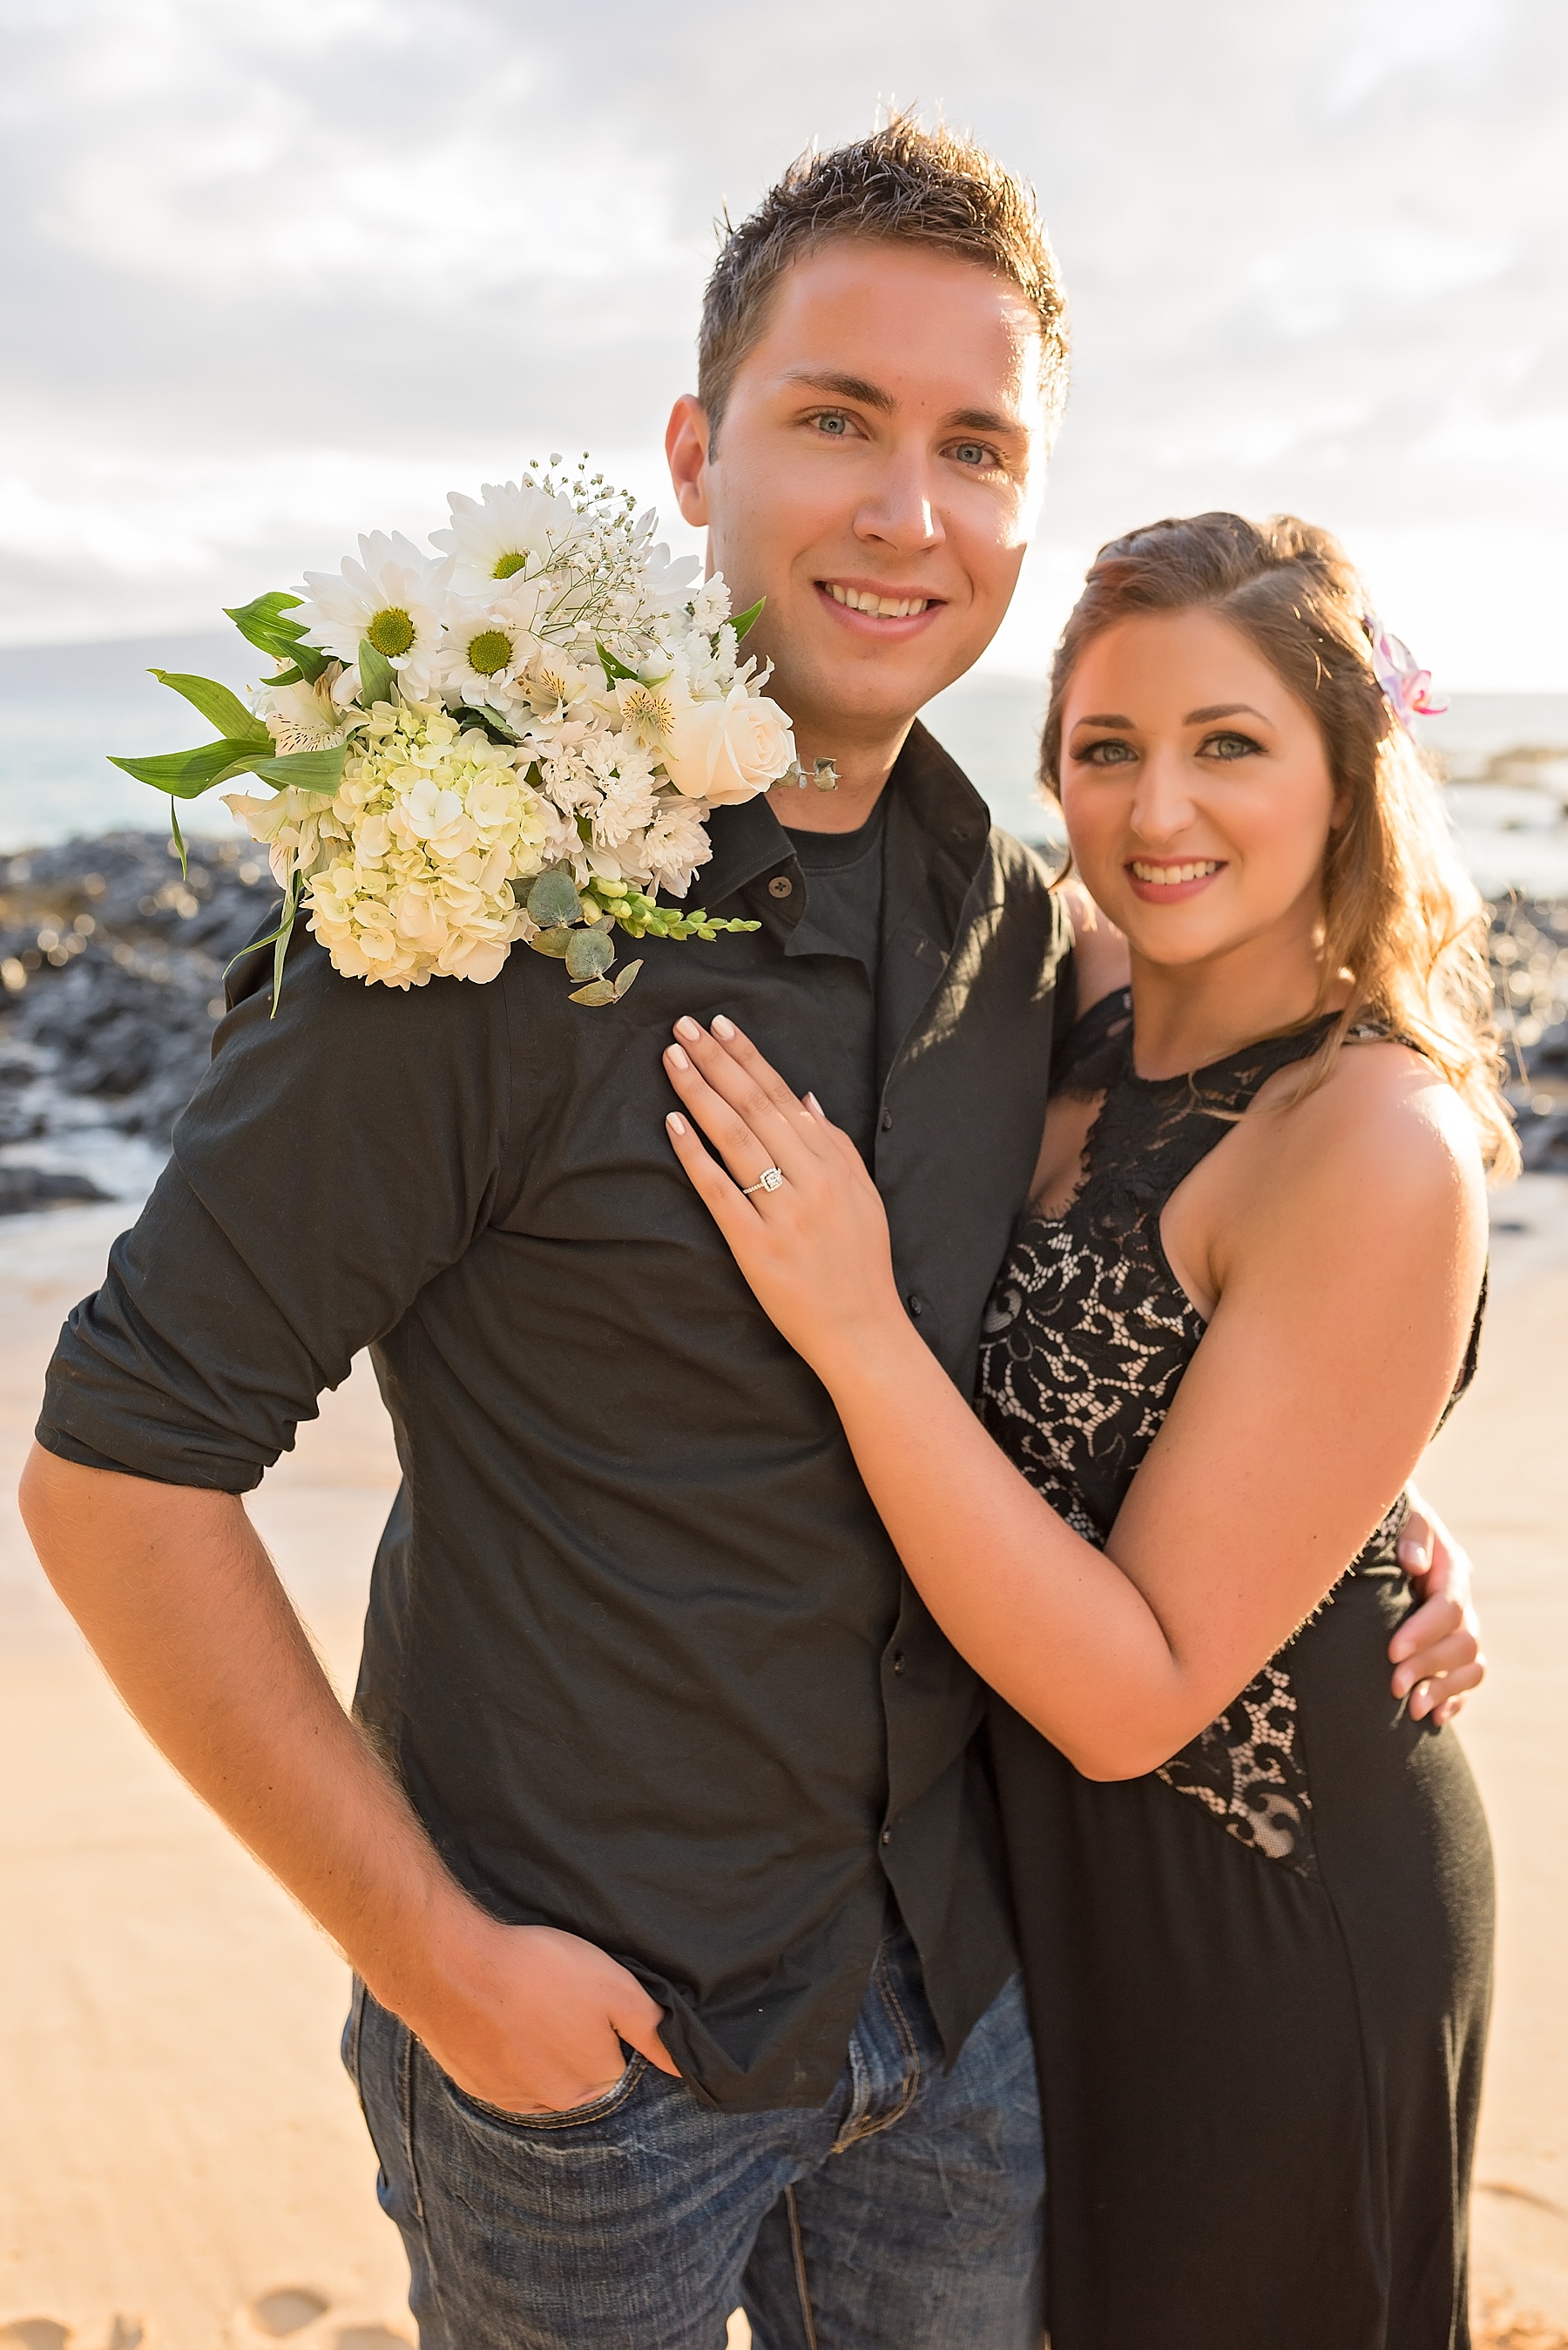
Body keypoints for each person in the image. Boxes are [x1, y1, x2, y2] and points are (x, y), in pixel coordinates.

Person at [18, 114, 1477, 2347]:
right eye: (838, 421)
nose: (909, 510)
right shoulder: (475, 913)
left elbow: (1228, 1226)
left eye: (976, 445)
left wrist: (1367, 1480)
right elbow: (120, 1468)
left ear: (1024, 505)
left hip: (973, 2006)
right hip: (591, 2058)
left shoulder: (1011, 916)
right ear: (698, 451)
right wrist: (441, 1963)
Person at [660, 510, 1505, 2349]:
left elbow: (1137, 1693)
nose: (1159, 809)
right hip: (1027, 1910)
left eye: (1230, 743)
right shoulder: (1063, 1000)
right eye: (1109, 747)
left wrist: (856, 1325)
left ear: (1351, 776)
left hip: (1265, 1930)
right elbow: (1180, 1395)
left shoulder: (1374, 1134)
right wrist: (1377, 1494)